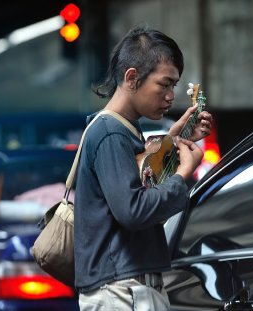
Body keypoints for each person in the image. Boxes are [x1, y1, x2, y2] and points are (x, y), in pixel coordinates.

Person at [74, 25, 213, 311]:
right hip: (122, 292)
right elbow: (133, 211)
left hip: (127, 288)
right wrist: (182, 174)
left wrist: (177, 140)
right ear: (132, 78)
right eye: (164, 84)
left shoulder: (122, 130)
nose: (171, 96)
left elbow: (142, 182)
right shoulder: (110, 133)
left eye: (174, 86)